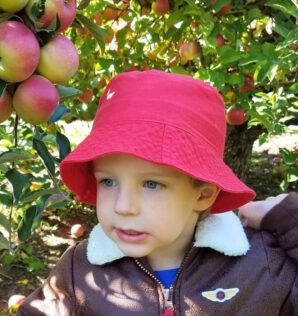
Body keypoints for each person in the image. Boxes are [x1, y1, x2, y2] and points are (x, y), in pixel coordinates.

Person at [18, 70, 298, 316]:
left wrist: (291, 221)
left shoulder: (260, 265)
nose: (123, 206)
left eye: (152, 184)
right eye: (108, 182)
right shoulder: (80, 272)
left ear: (203, 195)